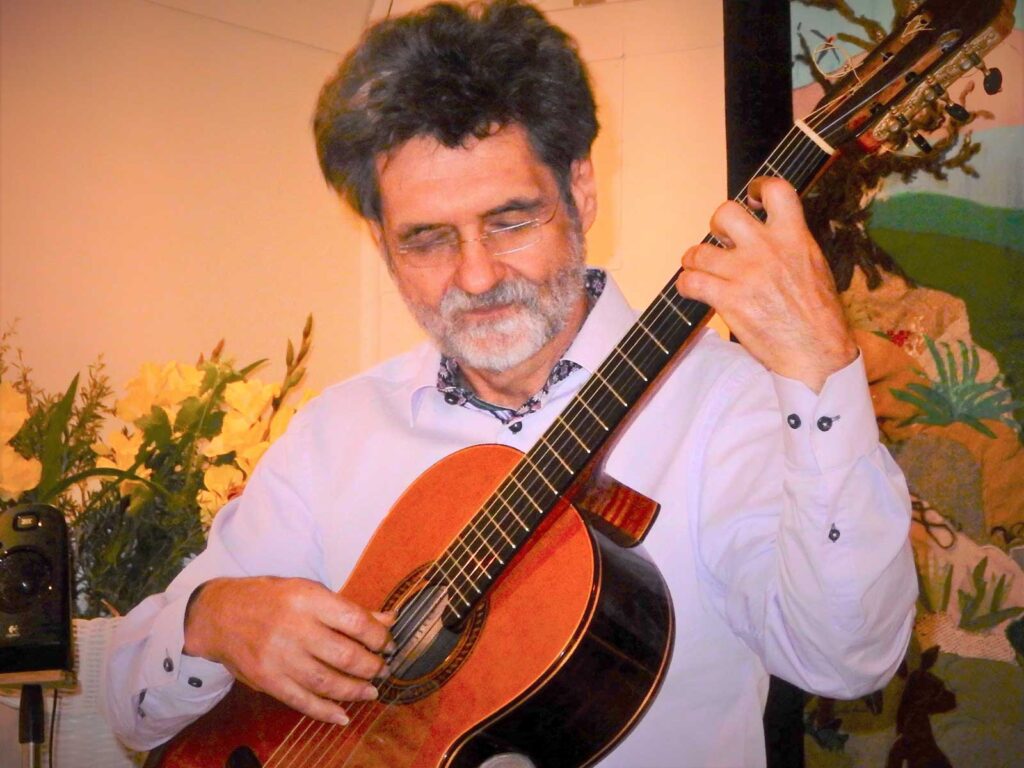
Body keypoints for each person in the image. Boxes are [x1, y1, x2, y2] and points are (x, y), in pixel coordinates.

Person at [102, 2, 917, 766]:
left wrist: (820, 370)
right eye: (426, 239)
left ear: (581, 189)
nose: (477, 274)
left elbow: (846, 658)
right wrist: (214, 618)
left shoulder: (732, 405)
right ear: (381, 242)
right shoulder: (338, 430)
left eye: (510, 219)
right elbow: (129, 705)